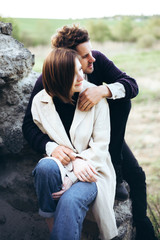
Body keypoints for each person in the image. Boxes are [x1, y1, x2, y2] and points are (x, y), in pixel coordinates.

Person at [22, 25, 157, 240]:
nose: (92, 59)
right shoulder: (48, 82)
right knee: (52, 177)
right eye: (85, 57)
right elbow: (28, 125)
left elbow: (131, 85)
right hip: (69, 147)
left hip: (103, 138)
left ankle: (144, 228)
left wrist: (102, 90)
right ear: (66, 58)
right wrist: (53, 148)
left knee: (137, 175)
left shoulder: (97, 61)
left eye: (91, 53)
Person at [31, 47, 118, 240]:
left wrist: (75, 173)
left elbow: (101, 146)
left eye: (80, 69)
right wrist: (70, 164)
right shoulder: (40, 101)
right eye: (74, 73)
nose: (82, 76)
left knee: (69, 200)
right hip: (62, 166)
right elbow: (33, 130)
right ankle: (52, 224)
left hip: (94, 168)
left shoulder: (95, 99)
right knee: (45, 167)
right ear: (60, 76)